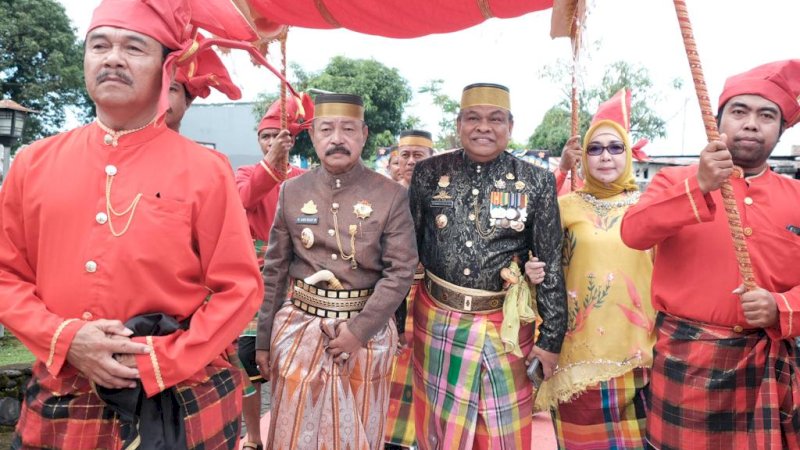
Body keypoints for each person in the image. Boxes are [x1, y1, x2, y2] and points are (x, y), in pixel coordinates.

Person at [0, 0, 264, 448]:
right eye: (99, 45)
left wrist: (162, 360)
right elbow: (7, 275)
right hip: (65, 387)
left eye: (134, 47)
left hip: (181, 391)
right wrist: (67, 338)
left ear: (166, 67)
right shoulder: (32, 163)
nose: (113, 58)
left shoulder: (206, 169)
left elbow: (239, 288)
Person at [621, 59, 800, 449]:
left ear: (782, 130)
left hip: (769, 363)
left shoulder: (797, 198)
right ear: (716, 121)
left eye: (766, 115)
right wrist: (700, 185)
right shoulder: (674, 180)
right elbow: (633, 233)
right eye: (739, 111)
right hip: (687, 364)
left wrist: (783, 308)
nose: (751, 123)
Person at [408, 83, 567, 449]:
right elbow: (408, 250)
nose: (484, 127)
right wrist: (396, 318)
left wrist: (552, 338)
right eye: (473, 118)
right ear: (458, 124)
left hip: (506, 326)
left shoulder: (536, 181)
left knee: (501, 428)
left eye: (495, 119)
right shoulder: (428, 173)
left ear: (510, 126)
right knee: (439, 426)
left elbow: (550, 262)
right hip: (438, 317)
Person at [255, 93, 418, 449]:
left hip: (366, 336)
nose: (337, 139)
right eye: (326, 129)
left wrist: (359, 332)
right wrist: (263, 339)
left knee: (357, 434)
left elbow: (401, 271)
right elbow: (275, 269)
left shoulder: (389, 194)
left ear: (364, 134)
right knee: (292, 433)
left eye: (348, 129)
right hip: (299, 330)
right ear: (312, 136)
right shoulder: (292, 192)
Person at [535, 88, 655, 449]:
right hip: (578, 351)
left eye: (615, 148)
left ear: (629, 154)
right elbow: (536, 240)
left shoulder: (651, 205)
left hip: (639, 349)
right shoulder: (566, 205)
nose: (605, 156)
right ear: (582, 156)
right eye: (595, 148)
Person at [235, 94, 313, 450]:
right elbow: (243, 200)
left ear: (292, 140)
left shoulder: (306, 179)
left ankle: (287, 433)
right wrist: (271, 163)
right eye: (265, 137)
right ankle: (253, 436)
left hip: (297, 280)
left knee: (291, 361)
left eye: (277, 137)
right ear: (259, 141)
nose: (271, 142)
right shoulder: (245, 174)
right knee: (246, 364)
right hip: (253, 281)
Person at [385, 129, 434, 450]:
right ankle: (390, 439)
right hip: (389, 299)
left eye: (420, 155)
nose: (411, 161)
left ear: (433, 159)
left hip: (431, 298)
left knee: (428, 373)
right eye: (406, 155)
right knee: (390, 372)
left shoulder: (445, 199)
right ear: (396, 160)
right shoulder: (380, 198)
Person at [165, 34, 241, 132]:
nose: (161, 96)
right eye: (154, 87)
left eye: (171, 88)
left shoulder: (194, 148)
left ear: (188, 101)